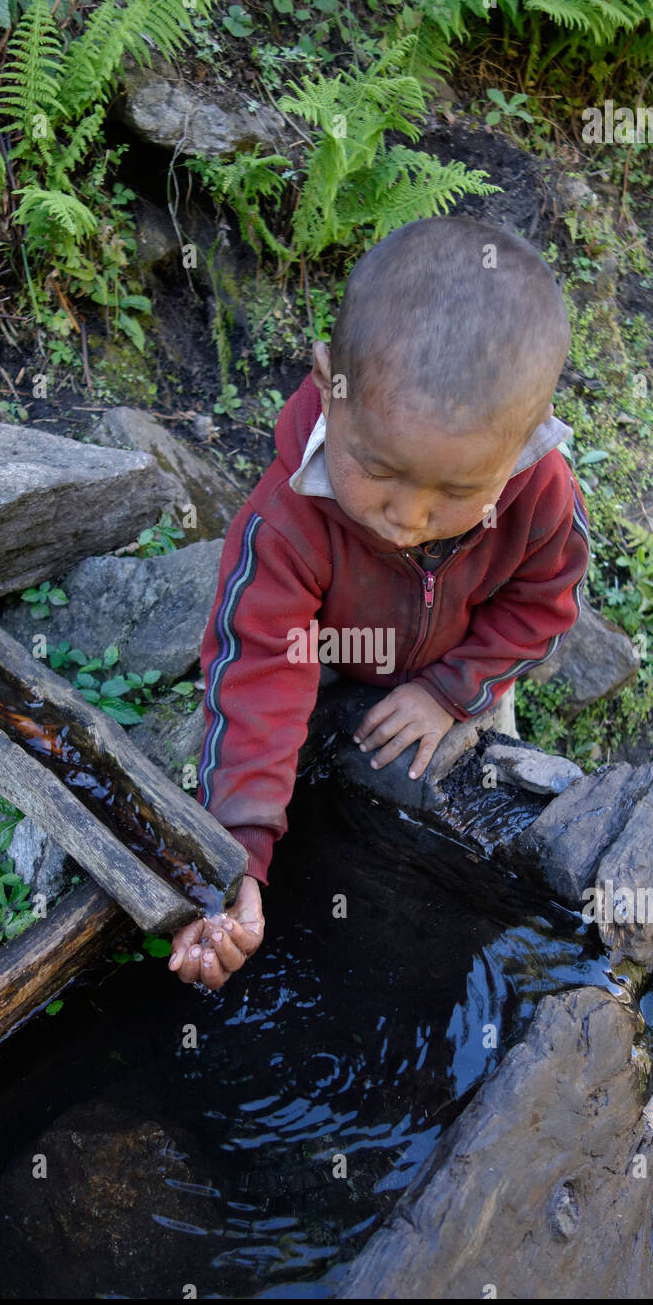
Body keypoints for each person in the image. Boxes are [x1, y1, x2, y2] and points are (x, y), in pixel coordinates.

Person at [169, 215, 590, 990]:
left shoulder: (539, 494)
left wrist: (451, 693)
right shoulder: (290, 520)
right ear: (331, 382)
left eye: (458, 491)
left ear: (525, 443)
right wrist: (236, 854)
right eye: (377, 467)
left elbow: (543, 605)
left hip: (462, 670)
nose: (407, 516)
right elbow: (261, 667)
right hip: (332, 663)